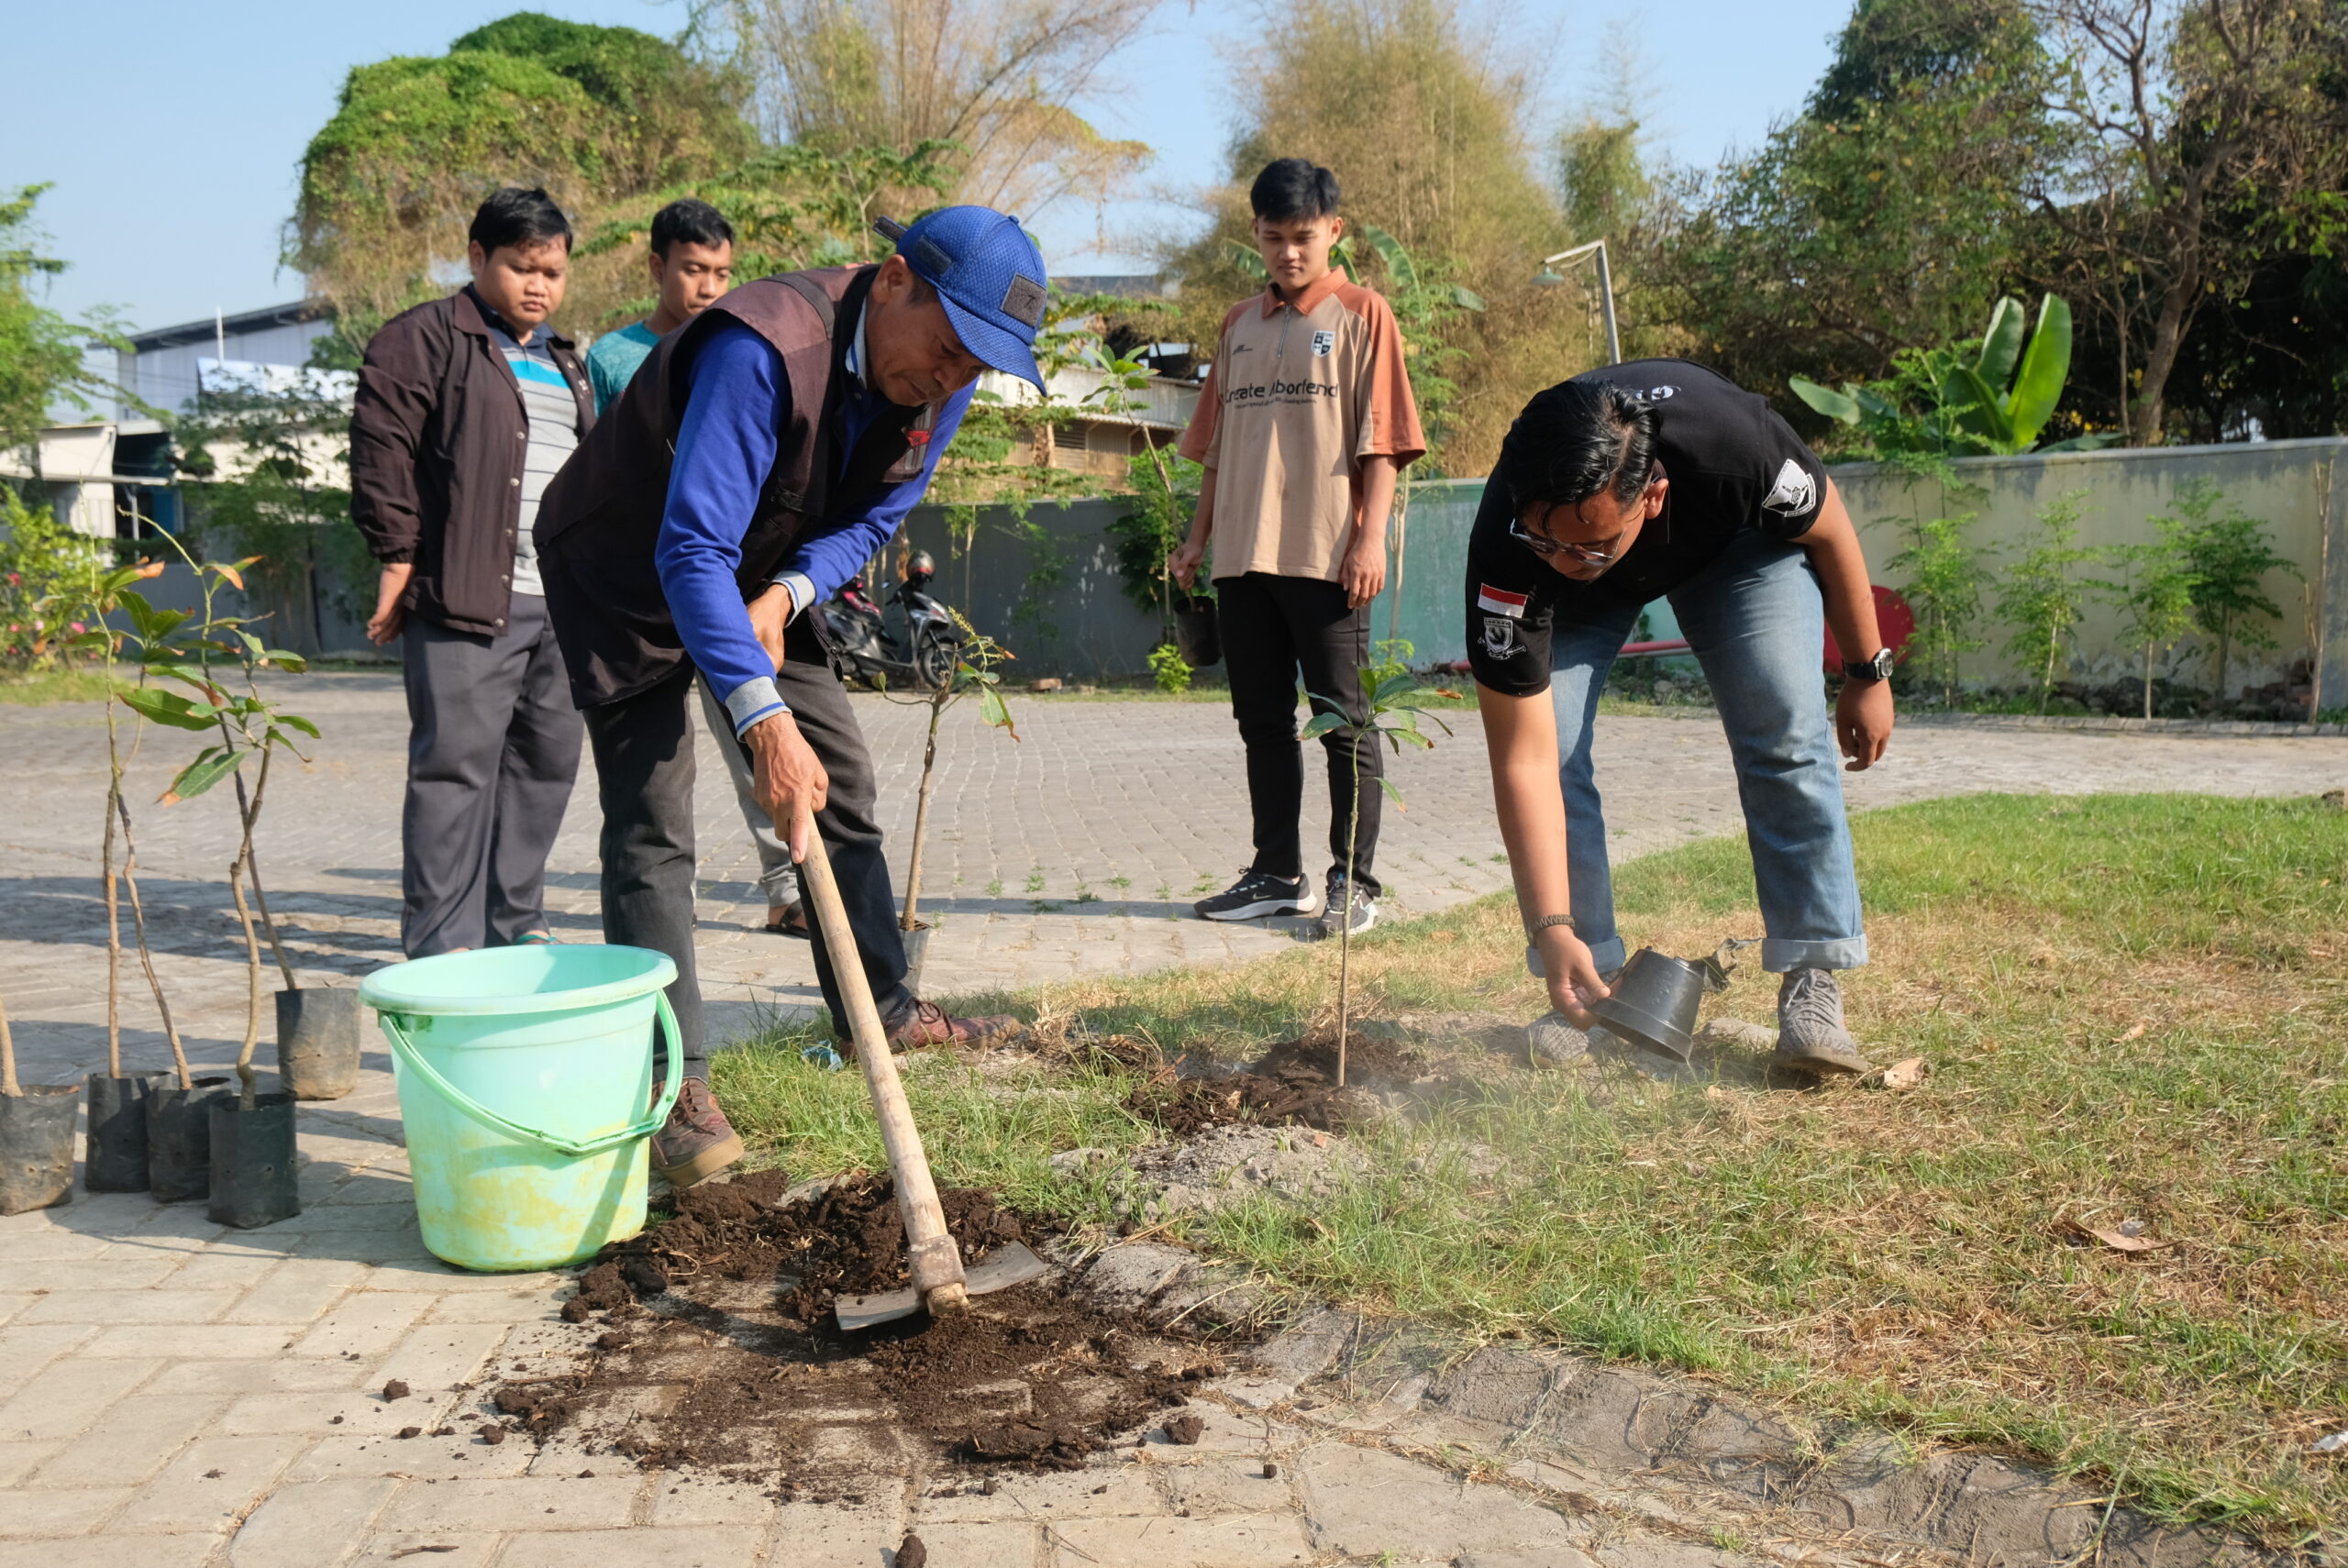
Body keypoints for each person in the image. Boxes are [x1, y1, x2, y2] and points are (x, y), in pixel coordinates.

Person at [536, 206, 1046, 1188]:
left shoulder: (941, 382)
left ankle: (881, 1015)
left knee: (839, 779)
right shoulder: (761, 347)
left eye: (975, 365)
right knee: (652, 824)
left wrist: (789, 593)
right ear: (894, 279)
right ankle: (670, 1081)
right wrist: (760, 719)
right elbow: (688, 549)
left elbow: (880, 513)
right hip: (627, 568)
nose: (950, 379)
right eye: (947, 348)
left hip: (762, 566)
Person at [1466, 362, 1897, 1077]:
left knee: (1784, 727)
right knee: (1559, 743)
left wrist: (1865, 671)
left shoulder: (1733, 446)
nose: (1572, 561)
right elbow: (1524, 760)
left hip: (1734, 548)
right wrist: (1552, 926)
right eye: (1551, 541)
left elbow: (1831, 528)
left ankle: (1813, 978)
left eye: (1590, 544)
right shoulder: (1513, 547)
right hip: (1577, 584)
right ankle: (1587, 981)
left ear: (1652, 494)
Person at [1168, 158, 1425, 938]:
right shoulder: (1237, 324)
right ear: (1256, 235)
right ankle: (1278, 874)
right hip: (1241, 559)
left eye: (1303, 237)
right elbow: (1214, 447)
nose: (1288, 253)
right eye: (1274, 238)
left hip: (1327, 556)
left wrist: (1368, 538)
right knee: (1263, 724)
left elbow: (1382, 443)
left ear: (1333, 232)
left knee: (1343, 721)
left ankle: (1357, 881)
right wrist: (1196, 538)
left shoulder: (1362, 314)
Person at [351, 185, 590, 958]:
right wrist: (396, 555)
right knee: (455, 773)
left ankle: (514, 922)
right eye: (522, 267)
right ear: (478, 256)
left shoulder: (564, 359)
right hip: (465, 599)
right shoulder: (422, 339)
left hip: (560, 608)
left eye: (552, 273)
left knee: (544, 769)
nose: (538, 286)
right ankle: (440, 944)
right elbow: (380, 450)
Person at [582, 199, 809, 941]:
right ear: (658, 267)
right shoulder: (614, 357)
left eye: (721, 271)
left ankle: (787, 887)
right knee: (653, 782)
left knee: (759, 728)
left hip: (722, 579)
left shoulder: (745, 348)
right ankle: (655, 951)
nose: (708, 285)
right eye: (692, 269)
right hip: (643, 593)